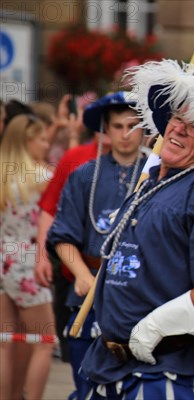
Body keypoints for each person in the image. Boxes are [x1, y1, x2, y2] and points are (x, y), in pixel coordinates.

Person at [75, 59, 194, 399]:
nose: (180, 129)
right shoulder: (152, 184)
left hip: (165, 376)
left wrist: (158, 325)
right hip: (109, 368)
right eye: (178, 117)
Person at [46, 91, 146, 399]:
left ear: (144, 128)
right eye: (118, 126)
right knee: (87, 387)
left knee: (133, 389)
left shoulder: (156, 176)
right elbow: (62, 236)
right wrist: (81, 275)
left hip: (139, 299)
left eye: (133, 125)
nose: (126, 134)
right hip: (87, 296)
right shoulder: (83, 175)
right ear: (105, 128)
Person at [34, 96, 107, 362]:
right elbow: (49, 208)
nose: (120, 132)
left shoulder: (146, 166)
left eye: (129, 124)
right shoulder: (75, 157)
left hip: (124, 285)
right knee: (77, 358)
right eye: (112, 123)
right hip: (76, 278)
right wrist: (42, 255)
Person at [0, 114, 56, 400]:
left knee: (5, 343)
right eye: (42, 139)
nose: (46, 145)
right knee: (44, 342)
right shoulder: (43, 178)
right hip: (29, 264)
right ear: (27, 140)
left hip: (2, 262)